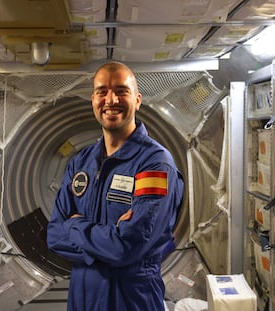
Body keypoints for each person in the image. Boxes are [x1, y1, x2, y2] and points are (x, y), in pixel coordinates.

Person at [47, 61, 184, 311]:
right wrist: (108, 241)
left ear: (138, 100)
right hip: (83, 298)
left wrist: (75, 223)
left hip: (132, 298)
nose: (111, 100)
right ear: (93, 100)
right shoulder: (80, 162)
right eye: (102, 92)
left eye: (121, 91)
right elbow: (55, 236)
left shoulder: (154, 164)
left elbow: (126, 248)